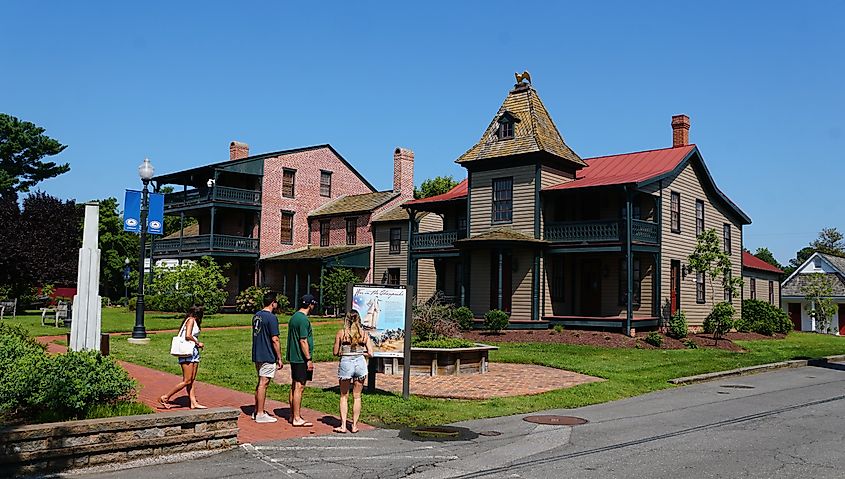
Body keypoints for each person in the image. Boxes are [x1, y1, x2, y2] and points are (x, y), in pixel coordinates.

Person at [332, 310, 373, 433]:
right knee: (357, 396)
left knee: (344, 395)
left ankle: (343, 425)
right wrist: (361, 353)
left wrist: (342, 352)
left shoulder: (342, 333)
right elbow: (371, 353)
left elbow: (335, 352)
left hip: (346, 363)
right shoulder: (364, 334)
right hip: (360, 363)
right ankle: (354, 425)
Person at [159, 306, 207, 410]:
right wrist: (198, 343)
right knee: (186, 380)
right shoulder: (190, 320)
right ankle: (166, 397)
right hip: (187, 352)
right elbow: (188, 335)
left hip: (193, 352)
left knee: (192, 380)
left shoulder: (193, 321)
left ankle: (193, 403)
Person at [252, 292, 284, 423]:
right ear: (273, 303)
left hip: (257, 353)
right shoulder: (271, 318)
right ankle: (260, 413)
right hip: (267, 354)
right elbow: (275, 339)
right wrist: (279, 357)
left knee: (260, 382)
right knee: (264, 383)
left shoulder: (256, 316)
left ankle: (257, 410)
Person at [286, 294, 316, 427]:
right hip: (300, 358)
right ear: (310, 304)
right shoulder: (303, 320)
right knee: (299, 386)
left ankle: (293, 414)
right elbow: (303, 340)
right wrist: (308, 359)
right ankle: (297, 417)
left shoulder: (294, 317)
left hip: (294, 356)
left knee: (294, 386)